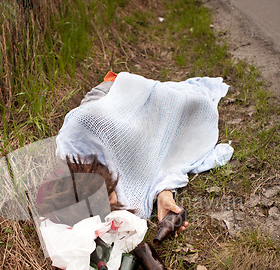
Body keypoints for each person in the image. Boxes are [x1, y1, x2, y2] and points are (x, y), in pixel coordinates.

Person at [52, 71, 233, 231]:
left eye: (108, 198)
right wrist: (164, 195)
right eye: (104, 210)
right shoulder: (98, 199)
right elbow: (153, 172)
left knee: (192, 108)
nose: (113, 204)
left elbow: (148, 157)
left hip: (114, 97)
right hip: (118, 132)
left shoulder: (83, 135)